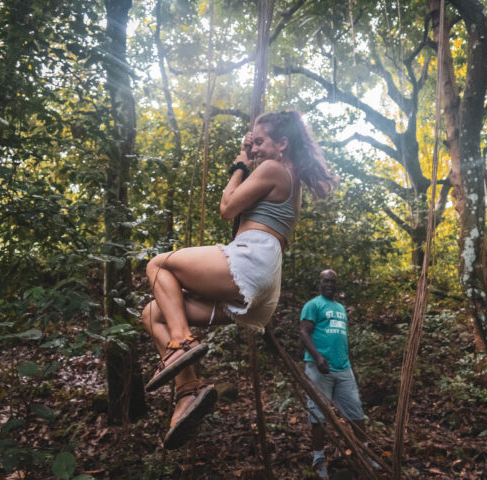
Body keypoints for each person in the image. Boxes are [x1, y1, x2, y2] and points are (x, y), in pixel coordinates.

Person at [141, 111, 335, 450]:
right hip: (263, 285)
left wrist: (240, 165)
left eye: (261, 142)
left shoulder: (273, 169)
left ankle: (181, 344)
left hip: (251, 259)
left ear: (283, 144)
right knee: (153, 312)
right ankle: (187, 392)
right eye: (253, 143)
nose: (256, 148)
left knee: (158, 266)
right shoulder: (291, 178)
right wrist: (250, 149)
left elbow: (228, 207)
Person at [300, 269, 376, 479]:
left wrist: (349, 365)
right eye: (326, 281)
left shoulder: (341, 308)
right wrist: (318, 357)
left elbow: (340, 338)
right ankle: (318, 459)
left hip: (343, 369)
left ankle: (364, 453)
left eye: (333, 281)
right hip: (319, 368)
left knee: (357, 413)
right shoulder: (313, 305)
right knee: (318, 415)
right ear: (320, 283)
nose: (329, 284)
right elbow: (304, 332)